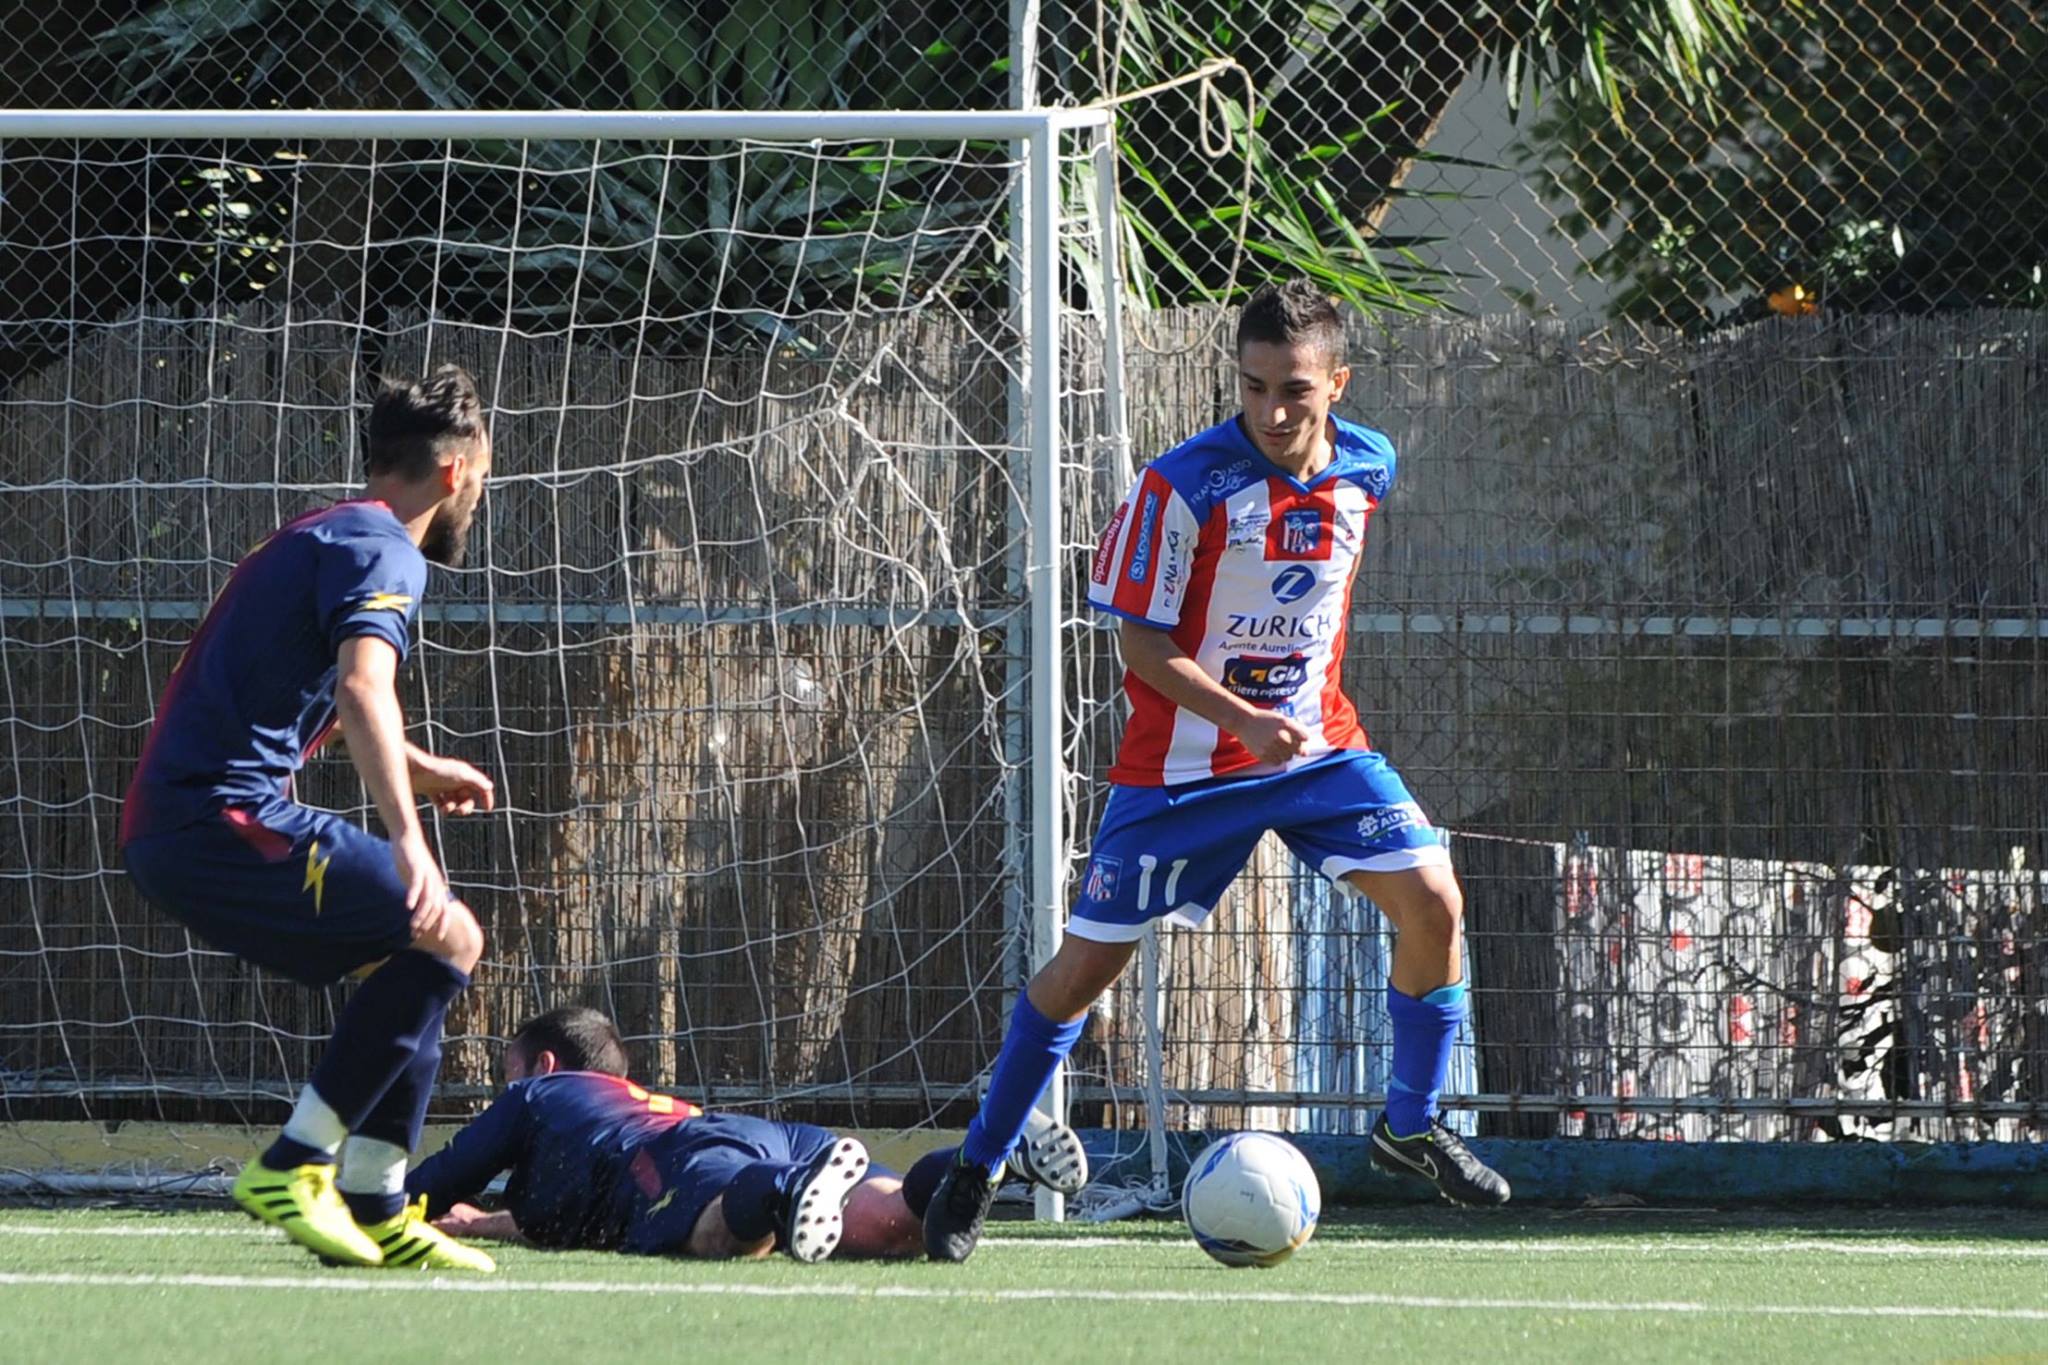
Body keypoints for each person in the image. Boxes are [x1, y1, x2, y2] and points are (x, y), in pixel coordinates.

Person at [922, 279, 1511, 1262]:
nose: (1272, 412)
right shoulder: (1180, 486)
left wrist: (1285, 719)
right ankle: (980, 1167)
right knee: (1078, 977)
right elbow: (1140, 647)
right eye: (1252, 388)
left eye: (1294, 392)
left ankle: (1408, 1123)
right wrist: (1242, 715)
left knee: (1433, 901)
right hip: (1179, 778)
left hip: (1318, 752)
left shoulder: (1368, 465)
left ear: (1337, 385)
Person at [120, 366, 499, 1272]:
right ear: (454, 473)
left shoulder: (327, 531)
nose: (480, 492)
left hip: (190, 819)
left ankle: (373, 1202)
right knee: (445, 933)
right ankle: (295, 1164)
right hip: (215, 819)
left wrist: (419, 766)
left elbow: (294, 698)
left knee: (415, 961)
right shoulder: (385, 550)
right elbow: (364, 685)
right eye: (482, 475)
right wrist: (412, 841)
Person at [409, 1007, 1089, 1263]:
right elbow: (555, 1217)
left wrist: (373, 1201)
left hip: (694, 1161)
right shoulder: (629, 1110)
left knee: (713, 1234)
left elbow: (441, 1177)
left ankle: (789, 1192)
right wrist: (485, 1223)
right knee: (897, 1226)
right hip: (755, 1136)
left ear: (544, 1066)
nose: (508, 1087)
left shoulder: (540, 1096)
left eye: (510, 1074)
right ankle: (989, 1153)